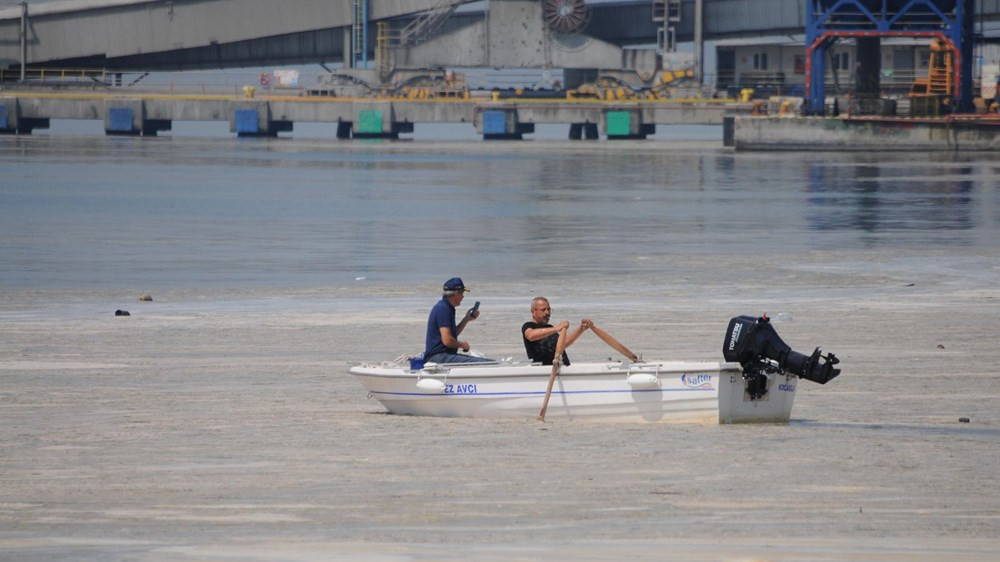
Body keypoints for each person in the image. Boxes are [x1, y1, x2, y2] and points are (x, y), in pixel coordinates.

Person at [423, 277, 493, 364]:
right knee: (488, 363)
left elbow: (451, 334)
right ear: (456, 293)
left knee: (485, 361)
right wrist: (463, 345)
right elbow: (447, 340)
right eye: (462, 293)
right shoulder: (443, 309)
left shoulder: (447, 307)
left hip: (442, 356)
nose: (463, 297)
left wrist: (466, 319)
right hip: (438, 357)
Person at [521, 296, 592, 366]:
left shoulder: (550, 328)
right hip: (544, 370)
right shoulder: (528, 326)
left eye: (549, 309)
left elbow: (563, 344)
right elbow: (531, 335)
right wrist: (557, 328)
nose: (547, 313)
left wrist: (581, 329)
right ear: (533, 312)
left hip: (562, 368)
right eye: (543, 310)